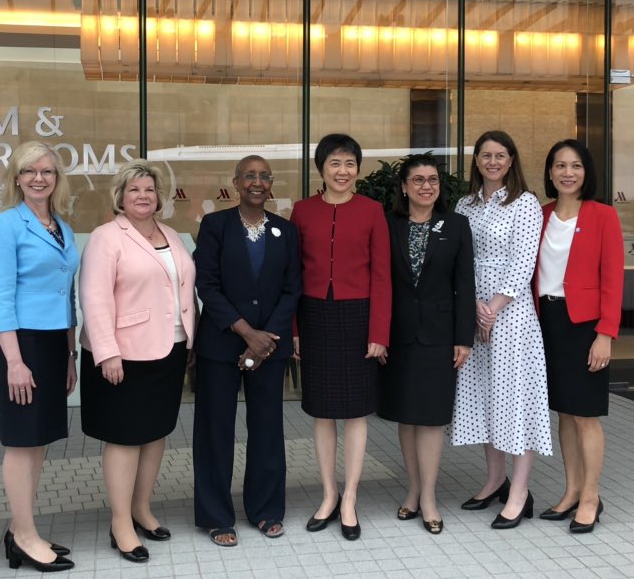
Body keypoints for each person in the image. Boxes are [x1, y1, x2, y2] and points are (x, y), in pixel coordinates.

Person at [80, 159, 196, 563]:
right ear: (120, 197)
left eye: (149, 190)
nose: (143, 196)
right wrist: (107, 352)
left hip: (171, 347)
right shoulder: (106, 236)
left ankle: (142, 507)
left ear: (159, 196)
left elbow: (180, 288)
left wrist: (191, 337)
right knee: (126, 437)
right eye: (134, 190)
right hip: (124, 354)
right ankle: (120, 522)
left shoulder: (172, 234)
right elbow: (94, 297)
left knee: (156, 432)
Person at [192, 156, 302, 547]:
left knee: (268, 429)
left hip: (270, 348)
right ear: (235, 183)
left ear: (271, 184)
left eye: (264, 176)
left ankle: (266, 509)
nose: (257, 182)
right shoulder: (215, 226)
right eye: (250, 176)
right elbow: (207, 285)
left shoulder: (285, 231)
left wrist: (266, 338)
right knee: (215, 430)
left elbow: (292, 289)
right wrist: (245, 333)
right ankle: (216, 515)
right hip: (221, 345)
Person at [291, 133, 391, 541]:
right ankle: (328, 494)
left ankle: (350, 496)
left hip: (358, 315)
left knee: (354, 410)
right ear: (321, 168)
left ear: (358, 169)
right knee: (321, 409)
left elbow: (383, 276)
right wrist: (294, 329)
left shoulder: (372, 210)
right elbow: (293, 275)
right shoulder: (302, 211)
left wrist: (379, 332)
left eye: (350, 163)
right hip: (314, 315)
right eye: (334, 163)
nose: (343, 171)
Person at [0, 141, 78, 572]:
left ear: (56, 179)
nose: (39, 178)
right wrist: (15, 362)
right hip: (20, 343)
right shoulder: (6, 224)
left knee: (38, 440)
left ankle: (19, 527)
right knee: (22, 442)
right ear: (17, 178)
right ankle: (24, 536)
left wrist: (70, 352)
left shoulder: (63, 226)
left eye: (47, 171)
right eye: (29, 171)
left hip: (53, 342)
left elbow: (68, 293)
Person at [452, 130, 552, 529]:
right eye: (485, 155)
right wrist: (473, 308)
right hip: (472, 311)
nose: (492, 162)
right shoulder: (465, 204)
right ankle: (494, 481)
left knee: (515, 399)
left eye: (500, 155)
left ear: (512, 161)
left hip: (510, 316)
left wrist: (493, 308)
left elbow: (523, 263)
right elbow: (462, 259)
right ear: (476, 161)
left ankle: (520, 492)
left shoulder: (525, 204)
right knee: (486, 397)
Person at [378, 154, 475, 535]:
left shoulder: (456, 225)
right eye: (417, 180)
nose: (425, 186)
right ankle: (413, 490)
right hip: (398, 334)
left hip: (439, 336)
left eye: (432, 180)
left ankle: (430, 497)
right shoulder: (388, 224)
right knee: (407, 416)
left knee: (432, 419)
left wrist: (462, 338)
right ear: (404, 186)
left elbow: (464, 285)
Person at [535, 139, 624, 533]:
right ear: (550, 173)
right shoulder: (541, 214)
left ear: (586, 172)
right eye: (559, 166)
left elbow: (613, 280)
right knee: (565, 413)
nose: (567, 173)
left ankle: (591, 496)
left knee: (586, 415)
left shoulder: (603, 216)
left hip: (585, 325)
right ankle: (570, 491)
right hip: (547, 322)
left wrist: (605, 333)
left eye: (575, 166)